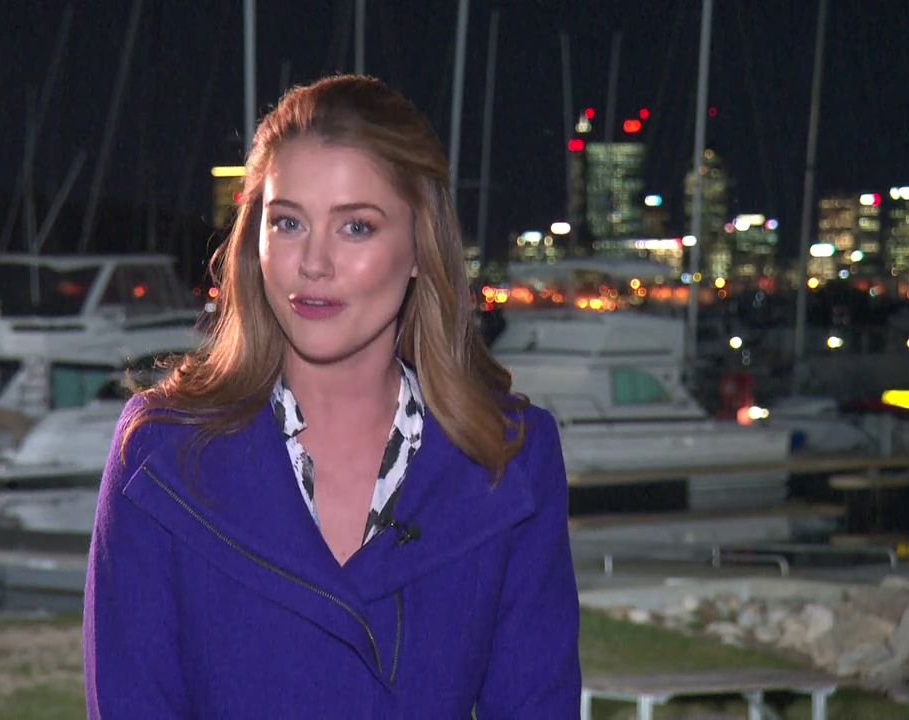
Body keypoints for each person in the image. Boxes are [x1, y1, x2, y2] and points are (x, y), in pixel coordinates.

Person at [83, 74, 580, 718]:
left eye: (356, 228)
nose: (313, 263)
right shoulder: (160, 457)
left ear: (420, 247)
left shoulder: (508, 459)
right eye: (288, 222)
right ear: (254, 239)